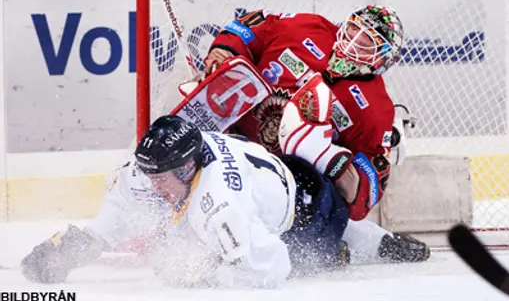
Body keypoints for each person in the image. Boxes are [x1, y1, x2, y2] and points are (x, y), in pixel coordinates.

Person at [20, 115, 425, 289]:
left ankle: (376, 243)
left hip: (307, 209)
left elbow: (272, 268)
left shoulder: (220, 204)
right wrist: (65, 253)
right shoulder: (147, 171)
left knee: (321, 252)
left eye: (161, 178)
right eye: (149, 176)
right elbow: (110, 224)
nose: (152, 187)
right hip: (269, 175)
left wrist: (209, 274)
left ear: (187, 168)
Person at [203, 5, 404, 222]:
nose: (354, 40)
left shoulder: (376, 110)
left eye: (368, 41)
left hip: (290, 183)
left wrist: (326, 156)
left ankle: (324, 240)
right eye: (355, 28)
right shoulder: (306, 27)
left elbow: (365, 194)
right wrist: (224, 52)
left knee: (319, 199)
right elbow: (249, 28)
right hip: (230, 142)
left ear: (383, 60)